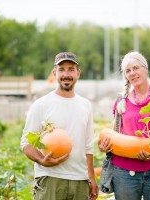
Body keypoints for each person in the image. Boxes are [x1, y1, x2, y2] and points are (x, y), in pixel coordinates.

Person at [20, 52, 98, 200]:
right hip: (50, 179)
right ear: (54, 73)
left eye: (71, 69)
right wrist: (41, 160)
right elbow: (25, 143)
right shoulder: (42, 104)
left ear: (78, 73)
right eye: (61, 70)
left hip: (79, 181)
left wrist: (91, 178)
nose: (66, 74)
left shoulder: (85, 105)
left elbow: (88, 147)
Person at [98, 51, 150, 200]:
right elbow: (114, 135)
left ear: (145, 68)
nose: (133, 73)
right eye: (128, 71)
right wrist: (104, 146)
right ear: (125, 75)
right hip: (124, 174)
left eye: (136, 68)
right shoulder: (121, 100)